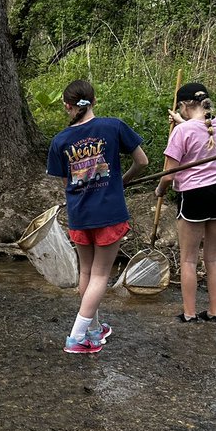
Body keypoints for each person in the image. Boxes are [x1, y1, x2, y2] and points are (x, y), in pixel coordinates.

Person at [47, 80, 149, 354]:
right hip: (109, 212)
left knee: (87, 272)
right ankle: (76, 337)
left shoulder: (60, 140)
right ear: (95, 100)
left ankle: (93, 329)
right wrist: (122, 181)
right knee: (101, 274)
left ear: (67, 106)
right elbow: (143, 161)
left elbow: (67, 180)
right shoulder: (113, 126)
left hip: (79, 214)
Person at [153, 82, 216, 323]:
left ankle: (189, 314)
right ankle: (214, 312)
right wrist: (181, 120)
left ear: (186, 105)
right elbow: (200, 132)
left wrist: (160, 189)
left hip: (194, 195)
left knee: (188, 259)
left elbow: (168, 175)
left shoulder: (181, 132)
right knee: (213, 258)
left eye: (180, 107)